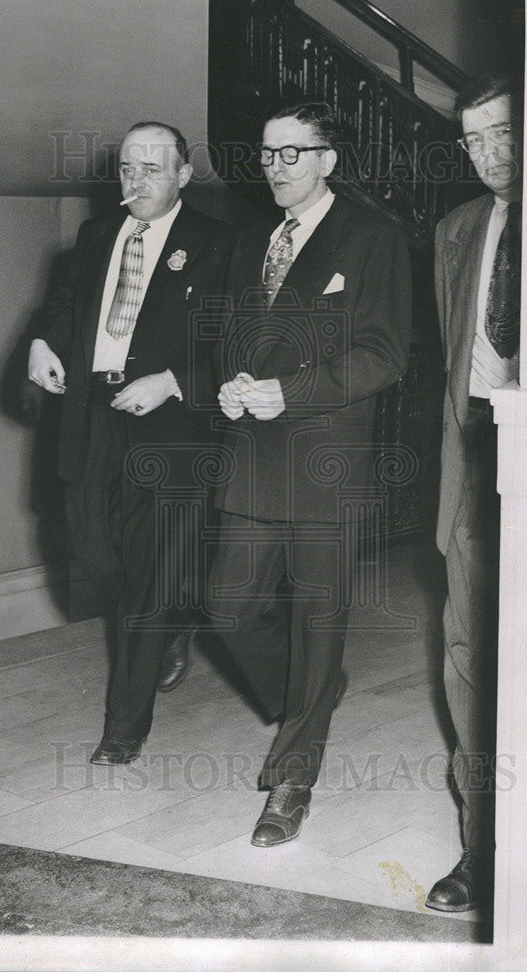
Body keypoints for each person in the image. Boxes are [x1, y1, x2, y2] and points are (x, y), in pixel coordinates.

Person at [209, 102, 412, 847]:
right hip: (252, 459)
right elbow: (234, 336)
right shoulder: (251, 240)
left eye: (292, 154)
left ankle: (291, 781)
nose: (275, 168)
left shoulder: (374, 239)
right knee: (228, 611)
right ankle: (312, 701)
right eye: (267, 154)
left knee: (315, 628)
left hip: (329, 465)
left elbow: (384, 355)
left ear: (329, 160)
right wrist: (229, 383)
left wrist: (288, 392)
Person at [28, 122, 233, 765]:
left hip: (168, 427)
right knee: (93, 555)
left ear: (183, 174)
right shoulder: (95, 237)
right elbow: (65, 303)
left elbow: (240, 342)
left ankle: (125, 726)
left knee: (148, 576)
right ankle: (173, 619)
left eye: (153, 168)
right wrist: (43, 341)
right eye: (127, 169)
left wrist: (173, 381)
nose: (136, 181)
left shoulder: (220, 245)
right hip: (92, 415)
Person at [425, 73, 522, 912]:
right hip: (476, 469)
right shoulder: (456, 231)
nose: (490, 154)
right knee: (469, 656)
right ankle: (481, 847)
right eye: (474, 141)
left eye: (504, 132)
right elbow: (452, 370)